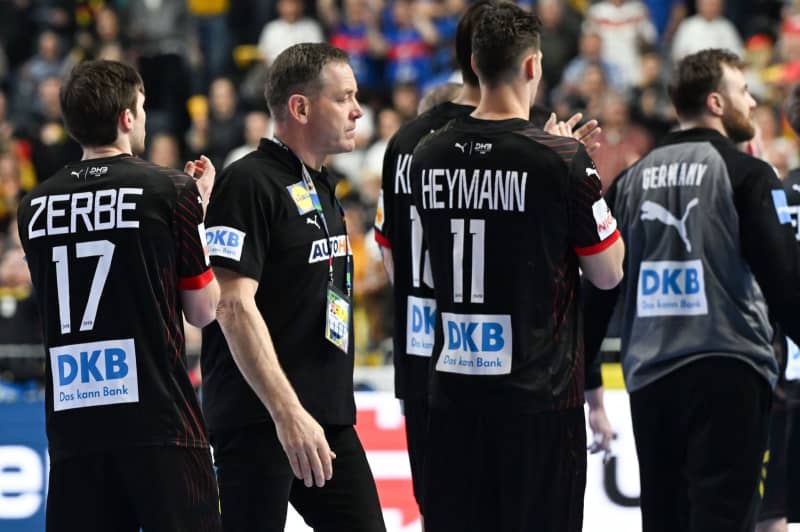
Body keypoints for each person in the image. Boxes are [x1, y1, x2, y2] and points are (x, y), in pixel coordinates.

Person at [375, 1, 615, 520]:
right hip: (538, 396)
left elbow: (399, 261)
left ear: (474, 65)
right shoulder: (559, 157)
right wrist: (572, 167)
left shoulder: (425, 154)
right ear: (532, 66)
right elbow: (608, 269)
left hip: (451, 392)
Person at [583, 48, 800, 532]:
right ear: (718, 102)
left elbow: (599, 288)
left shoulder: (631, 180)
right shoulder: (748, 173)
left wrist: (589, 377)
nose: (750, 101)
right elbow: (786, 286)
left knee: (665, 518)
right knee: (724, 517)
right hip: (729, 370)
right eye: (743, 92)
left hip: (651, 378)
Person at [17, 59, 221, 532]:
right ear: (127, 118)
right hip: (159, 422)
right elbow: (203, 309)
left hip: (74, 431)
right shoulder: (170, 189)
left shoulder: (33, 207)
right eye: (143, 108)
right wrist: (198, 217)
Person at [200, 43, 386, 531]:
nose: (357, 110)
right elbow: (232, 305)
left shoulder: (322, 183)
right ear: (300, 108)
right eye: (343, 97)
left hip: (325, 418)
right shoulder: (248, 183)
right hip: (261, 418)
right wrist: (287, 413)